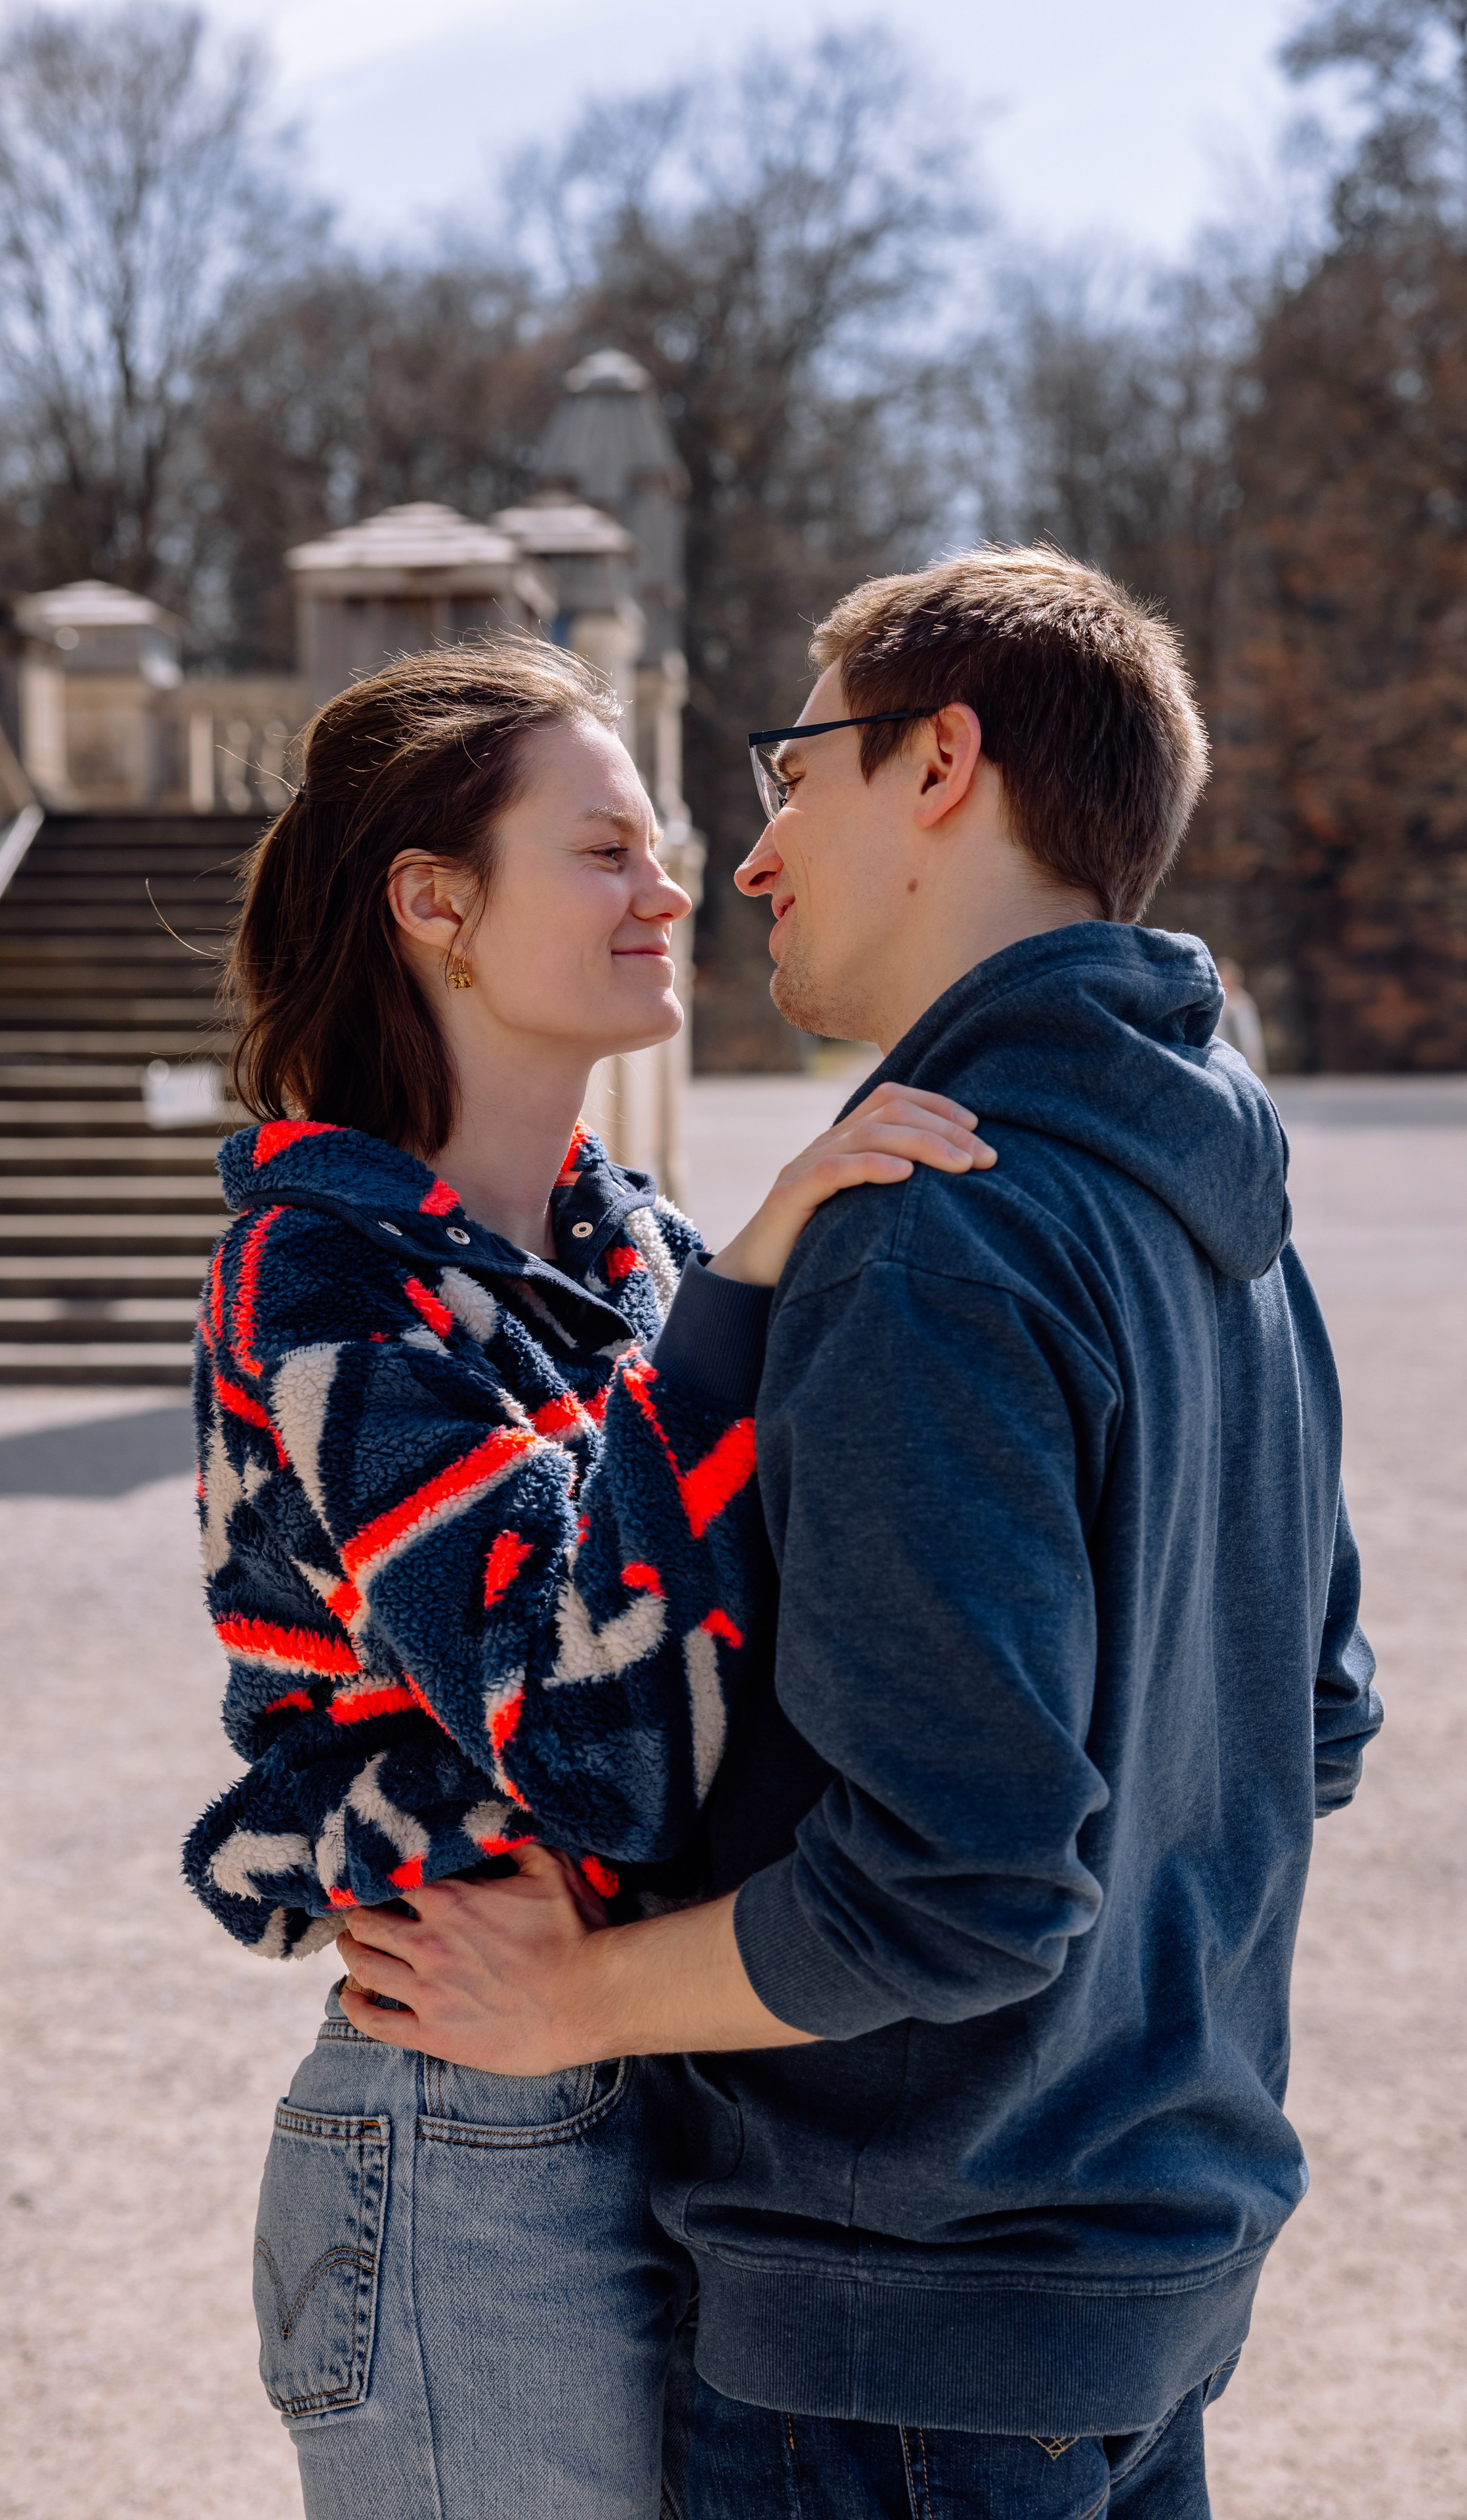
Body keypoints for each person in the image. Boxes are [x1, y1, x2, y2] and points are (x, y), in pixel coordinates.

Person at [334, 551, 1384, 2520]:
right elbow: (1308, 1728)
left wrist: (569, 2001)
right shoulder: (1222, 1211)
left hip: (905, 2344)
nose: (748, 862)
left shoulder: (933, 1234)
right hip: (1140, 2282)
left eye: (788, 776)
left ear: (941, 767)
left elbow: (960, 1892)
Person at [182, 638, 994, 2520]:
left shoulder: (643, 1252)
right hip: (475, 2139)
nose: (675, 888)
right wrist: (747, 1304)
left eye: (669, 846)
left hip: (687, 2078)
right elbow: (600, 1733)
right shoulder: (318, 1272)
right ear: (436, 904)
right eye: (607, 851)